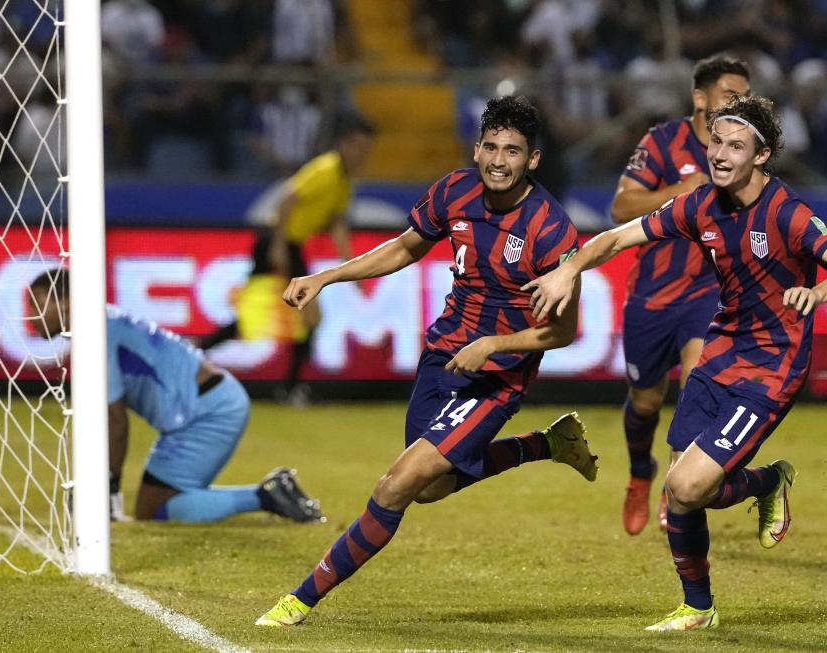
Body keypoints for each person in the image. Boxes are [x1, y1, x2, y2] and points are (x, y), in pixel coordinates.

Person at [524, 95, 827, 630]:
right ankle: (701, 603)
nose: (721, 153)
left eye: (736, 145)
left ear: (763, 155)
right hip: (721, 352)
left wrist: (819, 295)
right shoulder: (699, 205)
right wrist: (567, 271)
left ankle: (760, 492)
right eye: (716, 142)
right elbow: (619, 235)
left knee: (686, 488)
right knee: (683, 488)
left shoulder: (787, 213)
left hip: (770, 368)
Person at [255, 95, 598, 626]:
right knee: (432, 487)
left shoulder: (552, 230)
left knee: (398, 484)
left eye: (512, 151)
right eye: (490, 147)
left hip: (496, 379)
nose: (498, 161)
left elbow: (565, 330)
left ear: (532, 160)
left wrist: (494, 346)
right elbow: (405, 247)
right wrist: (325, 276)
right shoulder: (455, 190)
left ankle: (300, 600)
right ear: (477, 147)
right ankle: (546, 444)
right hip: (443, 357)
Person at [28, 271, 326, 525]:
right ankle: (268, 493)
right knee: (157, 506)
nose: (31, 314)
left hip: (207, 413)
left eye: (36, 302)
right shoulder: (104, 319)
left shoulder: (96, 334)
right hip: (207, 403)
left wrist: (110, 488)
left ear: (64, 303)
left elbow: (115, 421)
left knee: (155, 509)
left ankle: (265, 495)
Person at [611, 55, 750, 537]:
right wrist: (679, 189)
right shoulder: (662, 142)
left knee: (697, 383)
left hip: (708, 293)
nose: (739, 105)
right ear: (700, 98)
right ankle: (639, 472)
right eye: (731, 95)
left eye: (744, 98)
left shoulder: (738, 151)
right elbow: (621, 207)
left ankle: (676, 493)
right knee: (646, 401)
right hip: (652, 295)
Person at [199, 114, 376, 404]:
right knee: (301, 316)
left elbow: (336, 225)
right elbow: (286, 200)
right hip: (275, 242)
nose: (362, 153)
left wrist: (352, 267)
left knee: (280, 318)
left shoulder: (345, 181)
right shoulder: (325, 169)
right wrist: (278, 246)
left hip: (290, 246)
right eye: (358, 146)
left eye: (366, 148)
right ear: (343, 144)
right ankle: (290, 388)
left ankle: (199, 353)